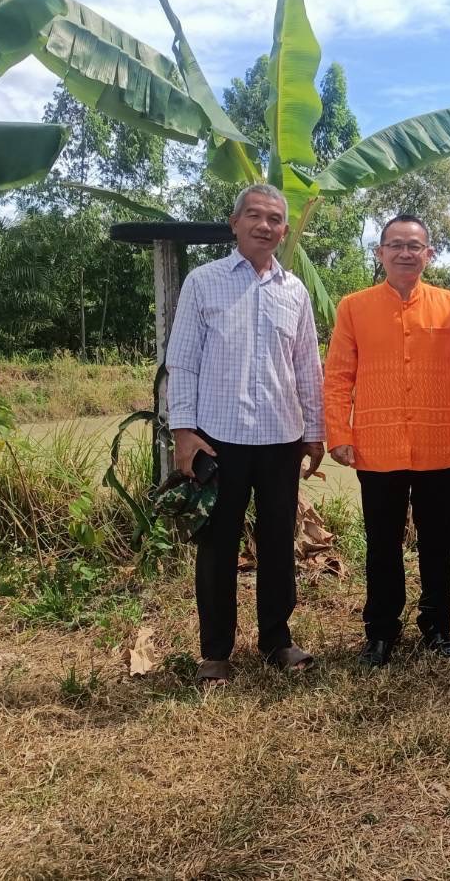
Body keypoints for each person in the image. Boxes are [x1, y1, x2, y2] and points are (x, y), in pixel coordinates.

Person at [165, 183, 325, 685]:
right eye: (254, 215)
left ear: (285, 230)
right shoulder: (203, 282)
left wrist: (314, 432)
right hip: (218, 440)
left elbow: (308, 367)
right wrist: (183, 431)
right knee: (218, 546)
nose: (265, 225)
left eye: (275, 219)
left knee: (278, 543)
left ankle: (277, 641)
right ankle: (216, 652)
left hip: (281, 438)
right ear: (234, 223)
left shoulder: (294, 292)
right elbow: (182, 361)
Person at [323, 214, 450, 667]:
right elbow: (338, 377)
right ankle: (380, 632)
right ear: (380, 253)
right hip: (377, 446)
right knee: (382, 545)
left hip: (439, 444)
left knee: (437, 543)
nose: (405, 253)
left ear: (429, 254)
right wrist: (339, 432)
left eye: (414, 246)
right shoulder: (354, 307)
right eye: (395, 245)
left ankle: (438, 626)